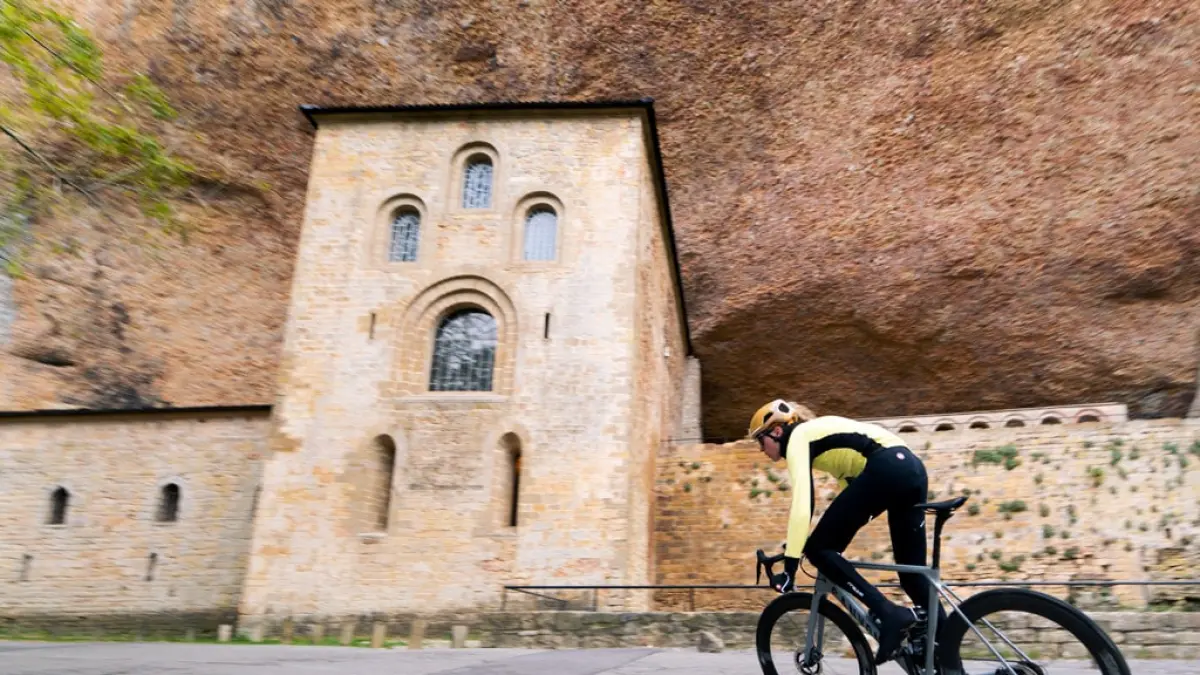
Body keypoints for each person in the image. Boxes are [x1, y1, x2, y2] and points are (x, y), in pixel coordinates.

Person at [747, 399, 948, 666]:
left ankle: (889, 613)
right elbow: (850, 497)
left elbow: (803, 504)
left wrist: (791, 567)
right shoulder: (828, 444)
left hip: (887, 466)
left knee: (819, 549)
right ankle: (947, 655)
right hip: (910, 469)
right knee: (912, 577)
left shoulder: (798, 438)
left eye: (760, 441)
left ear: (777, 431)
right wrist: (801, 544)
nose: (761, 449)